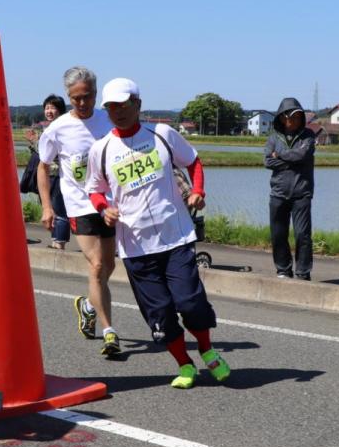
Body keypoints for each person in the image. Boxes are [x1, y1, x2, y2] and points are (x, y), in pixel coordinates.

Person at [85, 78, 230, 387]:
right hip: (136, 246)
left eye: (124, 105)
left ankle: (207, 350)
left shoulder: (162, 134)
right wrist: (103, 209)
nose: (118, 112)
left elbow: (193, 162)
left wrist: (198, 191)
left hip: (176, 236)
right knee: (161, 313)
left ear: (138, 104)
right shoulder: (101, 149)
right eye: (111, 107)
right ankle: (185, 365)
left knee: (190, 303)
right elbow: (94, 190)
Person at [37, 66, 119, 356]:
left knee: (108, 266)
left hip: (110, 204)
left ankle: (87, 304)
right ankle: (110, 332)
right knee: (96, 265)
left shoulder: (108, 121)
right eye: (75, 99)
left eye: (87, 97)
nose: (82, 104)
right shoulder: (58, 128)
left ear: (96, 94)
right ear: (68, 97)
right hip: (78, 204)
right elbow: (43, 167)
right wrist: (47, 207)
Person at [264, 97, 316, 280]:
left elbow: (302, 154)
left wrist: (281, 155)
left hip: (301, 193)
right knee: (278, 234)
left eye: (295, 117)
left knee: (302, 234)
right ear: (280, 118)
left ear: (301, 117)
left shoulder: (308, 136)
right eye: (287, 117)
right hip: (278, 192)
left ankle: (303, 272)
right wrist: (292, 161)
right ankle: (283, 269)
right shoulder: (273, 138)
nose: (291, 121)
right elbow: (268, 161)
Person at [26, 94, 70, 249]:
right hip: (50, 174)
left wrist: (34, 143)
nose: (49, 111)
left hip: (58, 174)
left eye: (53, 108)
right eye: (47, 108)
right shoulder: (51, 127)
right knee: (53, 208)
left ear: (61, 110)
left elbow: (50, 153)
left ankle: (59, 242)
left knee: (59, 209)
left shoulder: (61, 128)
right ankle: (56, 241)